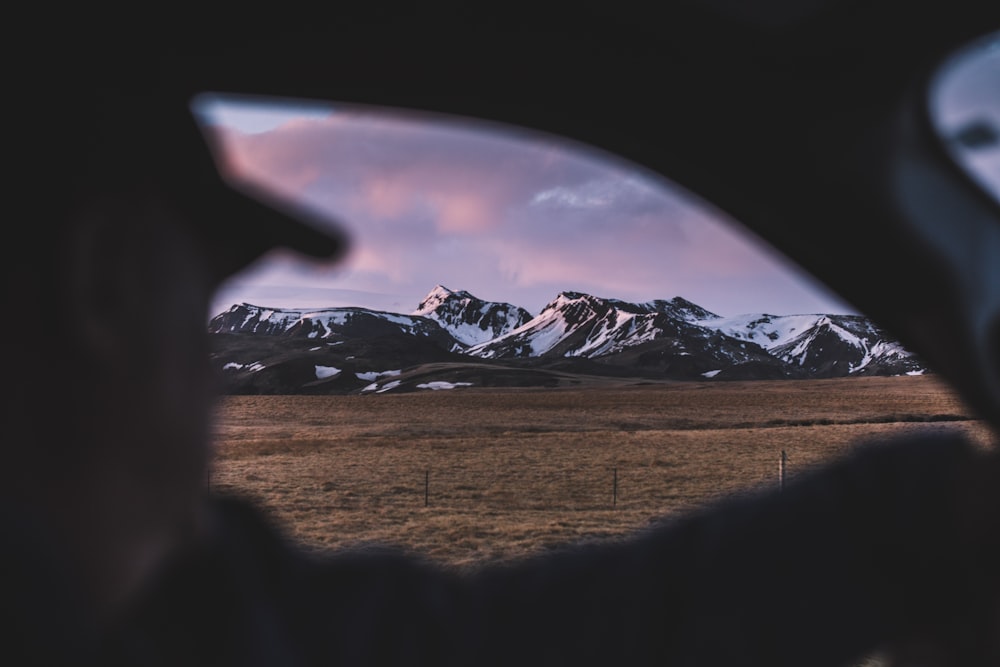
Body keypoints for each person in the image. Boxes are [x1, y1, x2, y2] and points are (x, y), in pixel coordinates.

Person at [4, 59, 998, 667]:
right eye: (202, 299)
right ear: (106, 284)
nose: (216, 374)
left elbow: (515, 642)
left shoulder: (178, 616)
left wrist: (905, 515)